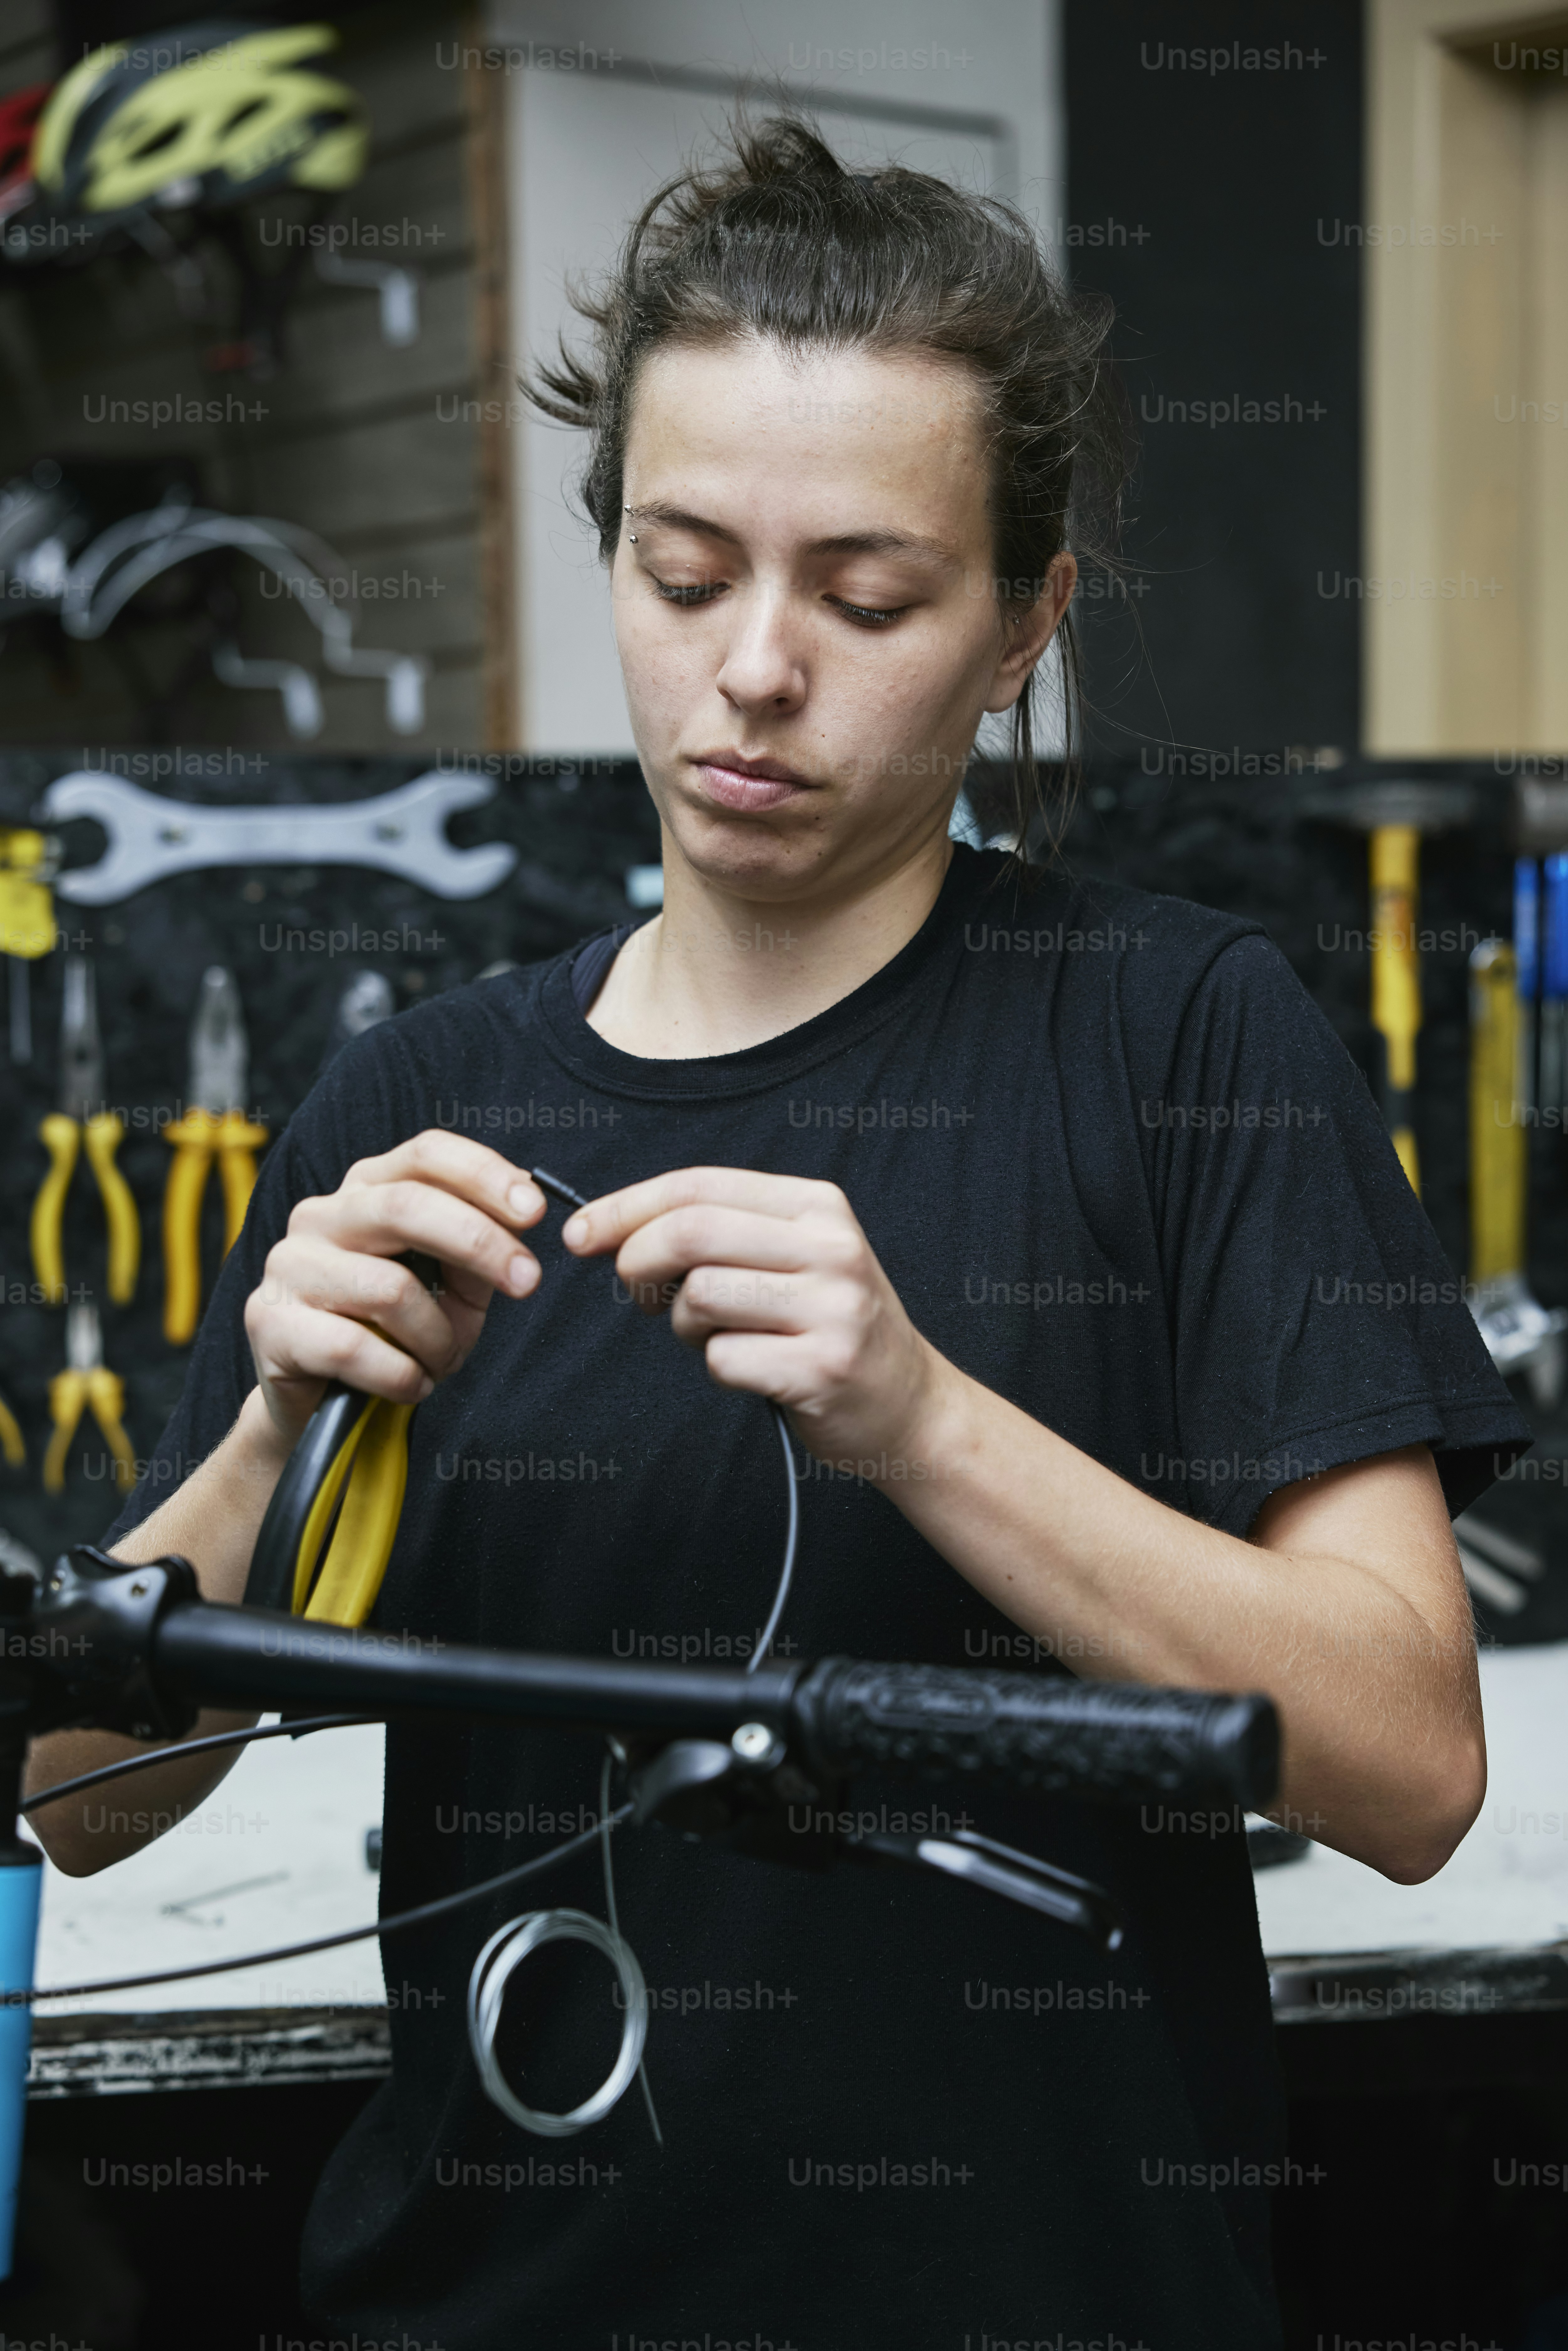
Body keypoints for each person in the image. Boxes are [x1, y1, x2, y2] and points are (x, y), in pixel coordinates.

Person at [25, 119, 1525, 2351]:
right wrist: (270, 1442)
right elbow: (83, 1816)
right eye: (684, 566)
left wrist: (923, 1420)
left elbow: (1406, 1771)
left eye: (869, 595)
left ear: (1026, 624)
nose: (751, 671)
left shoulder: (1186, 1042)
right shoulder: (415, 1107)